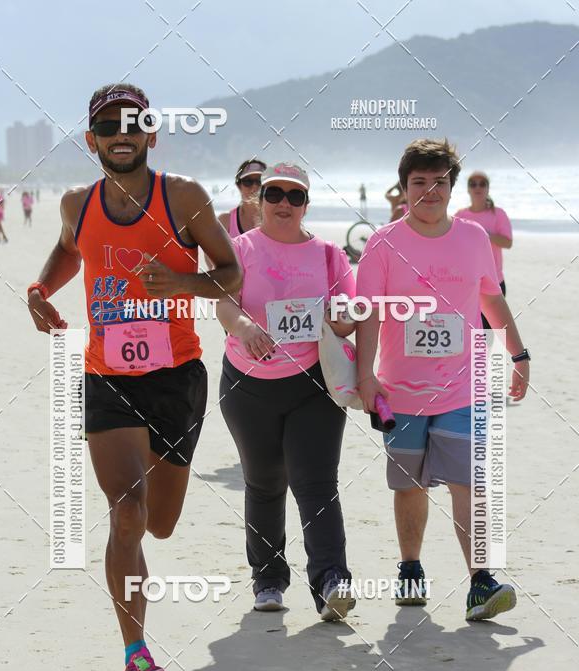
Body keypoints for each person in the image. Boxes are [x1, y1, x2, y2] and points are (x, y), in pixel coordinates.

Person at [26, 83, 241, 671]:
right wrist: (42, 290)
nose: (121, 133)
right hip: (106, 376)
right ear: (91, 139)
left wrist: (178, 281)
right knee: (127, 516)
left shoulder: (184, 198)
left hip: (176, 378)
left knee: (162, 523)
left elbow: (231, 274)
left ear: (151, 134)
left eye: (133, 122)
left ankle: (149, 534)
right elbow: (71, 250)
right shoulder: (77, 203)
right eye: (106, 125)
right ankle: (136, 654)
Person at [356, 138, 530, 622]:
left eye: (438, 183)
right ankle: (410, 569)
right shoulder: (383, 242)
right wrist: (365, 375)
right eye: (418, 183)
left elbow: (490, 299)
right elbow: (367, 313)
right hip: (401, 390)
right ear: (404, 187)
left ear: (451, 187)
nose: (429, 192)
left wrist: (519, 353)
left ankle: (481, 581)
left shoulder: (474, 238)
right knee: (409, 484)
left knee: (467, 482)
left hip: (462, 386)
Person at [216, 162, 357, 621]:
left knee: (316, 483)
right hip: (247, 384)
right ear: (259, 200)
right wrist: (244, 325)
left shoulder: (329, 254)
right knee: (264, 483)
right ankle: (269, 581)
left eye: (295, 197)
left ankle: (332, 580)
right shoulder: (239, 248)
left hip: (312, 383)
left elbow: (347, 312)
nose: (283, 203)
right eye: (274, 194)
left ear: (305, 206)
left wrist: (338, 319)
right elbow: (223, 303)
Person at [454, 171, 512, 328]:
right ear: (468, 189)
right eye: (473, 184)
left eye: (482, 184)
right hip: (467, 284)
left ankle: (488, 354)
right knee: (470, 333)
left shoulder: (498, 214)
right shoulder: (460, 215)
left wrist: (482, 234)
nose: (477, 187)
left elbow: (507, 242)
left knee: (491, 336)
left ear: (488, 188)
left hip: (494, 282)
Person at [218, 159, 266, 238]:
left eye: (259, 181)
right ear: (239, 186)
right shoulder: (225, 222)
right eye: (248, 181)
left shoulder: (277, 220)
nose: (254, 186)